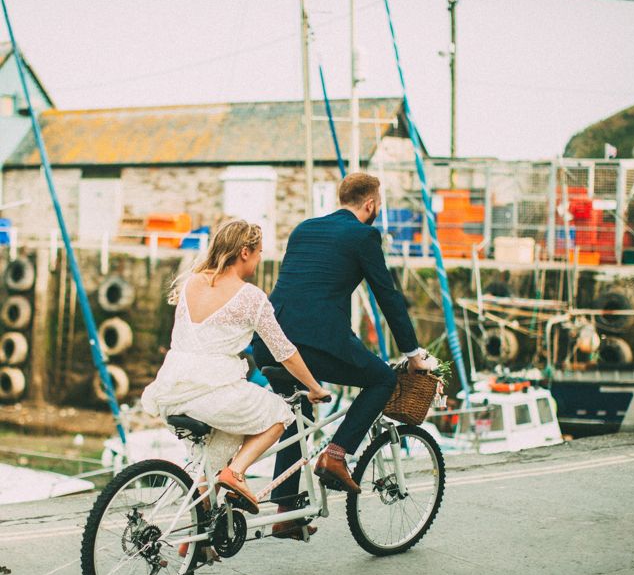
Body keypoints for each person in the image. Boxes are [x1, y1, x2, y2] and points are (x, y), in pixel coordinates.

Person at [253, 172, 433, 522]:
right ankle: (336, 454)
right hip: (311, 342)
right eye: (378, 205)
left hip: (268, 340)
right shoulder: (364, 235)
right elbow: (388, 297)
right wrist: (413, 354)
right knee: (382, 379)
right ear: (370, 204)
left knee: (296, 411)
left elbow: (306, 288)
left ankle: (287, 509)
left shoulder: (304, 228)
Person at [141, 219, 330, 522]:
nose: (258, 260)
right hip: (212, 390)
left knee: (210, 463)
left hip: (172, 389)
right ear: (244, 252)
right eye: (258, 253)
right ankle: (237, 473)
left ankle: (195, 542)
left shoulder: (191, 281)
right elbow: (284, 351)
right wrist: (315, 388)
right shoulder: (249, 296)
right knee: (280, 414)